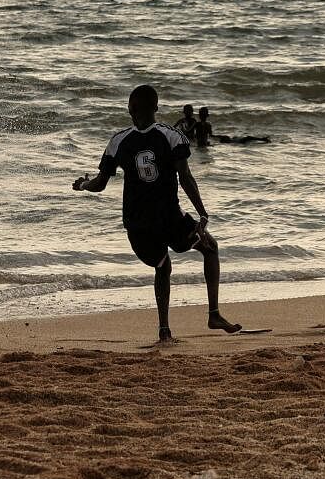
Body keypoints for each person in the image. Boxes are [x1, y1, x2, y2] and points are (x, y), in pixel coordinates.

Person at [73, 84, 242, 344]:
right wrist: (202, 213)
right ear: (157, 108)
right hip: (169, 219)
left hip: (137, 224)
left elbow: (100, 183)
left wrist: (83, 184)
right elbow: (185, 177)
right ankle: (214, 314)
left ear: (130, 109)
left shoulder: (118, 141)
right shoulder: (171, 136)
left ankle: (164, 332)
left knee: (162, 267)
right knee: (210, 248)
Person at [197, 107, 270, 146]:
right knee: (248, 138)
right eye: (201, 114)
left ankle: (263, 139)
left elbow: (211, 136)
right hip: (233, 140)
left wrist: (220, 137)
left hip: (233, 140)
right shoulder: (200, 124)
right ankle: (263, 139)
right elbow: (211, 136)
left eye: (203, 114)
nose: (202, 116)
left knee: (247, 138)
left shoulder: (208, 124)